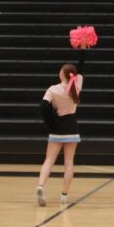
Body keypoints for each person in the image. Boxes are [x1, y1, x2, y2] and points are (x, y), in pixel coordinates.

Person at [36, 63, 82, 207]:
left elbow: (43, 106)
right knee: (69, 162)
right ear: (73, 76)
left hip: (57, 126)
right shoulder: (76, 87)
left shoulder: (53, 89)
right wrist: (83, 47)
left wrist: (50, 121)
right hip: (72, 127)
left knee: (49, 160)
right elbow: (79, 73)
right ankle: (64, 195)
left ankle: (40, 186)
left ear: (61, 74)